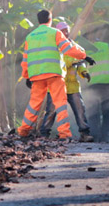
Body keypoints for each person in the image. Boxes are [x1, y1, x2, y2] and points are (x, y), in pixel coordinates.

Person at [18, 9, 91, 140]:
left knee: (34, 104)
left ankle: (23, 131)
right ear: (50, 19)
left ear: (38, 20)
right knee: (60, 104)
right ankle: (64, 134)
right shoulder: (55, 33)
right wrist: (84, 56)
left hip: (36, 76)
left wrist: (26, 75)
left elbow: (25, 59)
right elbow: (68, 49)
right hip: (53, 74)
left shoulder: (30, 37)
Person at [40, 21, 95, 142]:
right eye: (62, 31)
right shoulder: (54, 48)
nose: (65, 33)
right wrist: (74, 61)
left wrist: (84, 72)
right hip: (56, 85)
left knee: (80, 109)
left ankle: (85, 134)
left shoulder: (76, 47)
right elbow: (62, 63)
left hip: (73, 86)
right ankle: (44, 135)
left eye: (66, 30)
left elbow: (80, 62)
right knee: (51, 111)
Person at [85, 37, 109, 142]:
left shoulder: (84, 49)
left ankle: (95, 136)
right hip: (106, 84)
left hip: (92, 85)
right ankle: (106, 137)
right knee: (107, 112)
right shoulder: (106, 47)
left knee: (93, 113)